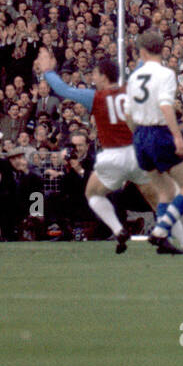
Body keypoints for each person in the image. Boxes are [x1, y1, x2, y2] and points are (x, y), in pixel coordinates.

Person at [34, 46, 160, 253]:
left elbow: (64, 90)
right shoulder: (129, 89)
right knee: (155, 197)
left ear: (103, 76)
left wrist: (48, 71)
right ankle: (169, 234)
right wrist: (142, 59)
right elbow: (141, 73)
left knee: (93, 194)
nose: (92, 77)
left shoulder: (96, 97)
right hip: (135, 154)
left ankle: (119, 229)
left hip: (113, 155)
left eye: (95, 74)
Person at [123, 28, 183, 254]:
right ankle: (160, 230)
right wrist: (177, 136)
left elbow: (127, 112)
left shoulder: (134, 76)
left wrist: (137, 136)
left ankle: (165, 240)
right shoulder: (165, 74)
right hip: (159, 133)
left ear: (142, 52)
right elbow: (165, 105)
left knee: (165, 191)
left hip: (140, 135)